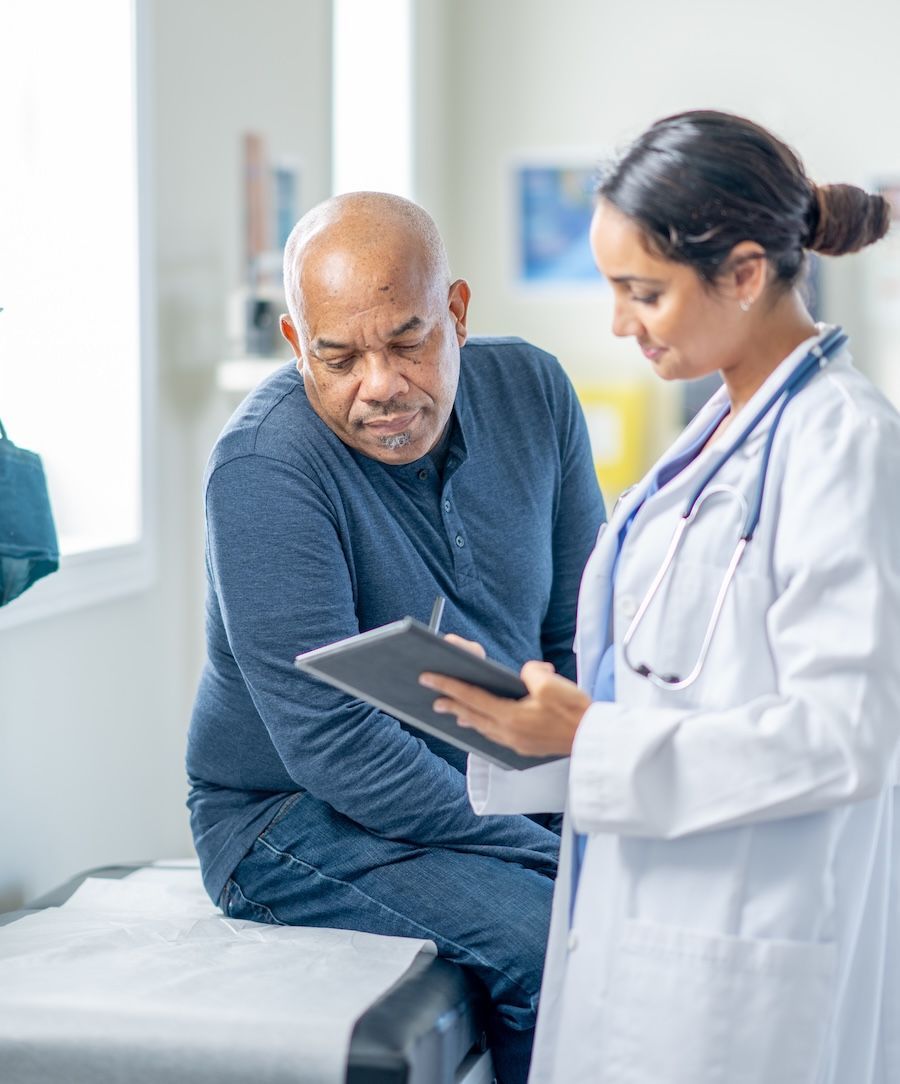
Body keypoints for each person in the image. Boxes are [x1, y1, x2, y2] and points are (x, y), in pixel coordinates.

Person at [420, 111, 900, 1083]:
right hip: (647, 914)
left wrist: (591, 739)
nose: (617, 321)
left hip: (748, 938)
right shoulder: (720, 430)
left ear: (746, 272)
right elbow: (666, 688)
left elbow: (848, 733)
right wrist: (542, 736)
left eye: (643, 291)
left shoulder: (844, 442)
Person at [186, 191, 606, 1083]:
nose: (379, 385)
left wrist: (593, 801)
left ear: (455, 312)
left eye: (407, 342)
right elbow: (332, 743)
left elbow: (579, 636)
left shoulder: (533, 391)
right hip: (291, 816)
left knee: (644, 903)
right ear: (299, 348)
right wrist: (544, 842)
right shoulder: (266, 467)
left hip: (493, 780)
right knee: (559, 940)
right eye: (337, 358)